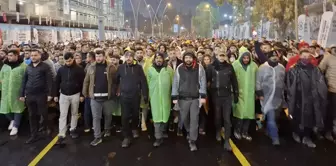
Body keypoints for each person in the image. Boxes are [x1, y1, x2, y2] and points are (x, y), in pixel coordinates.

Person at [287, 49, 327, 148]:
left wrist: (322, 96)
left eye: (307, 56)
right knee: (297, 116)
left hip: (311, 98)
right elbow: (290, 85)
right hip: (298, 97)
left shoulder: (315, 69)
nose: (305, 58)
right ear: (299, 56)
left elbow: (320, 83)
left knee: (310, 118)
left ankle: (306, 137)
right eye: (303, 56)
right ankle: (296, 133)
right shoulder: (294, 69)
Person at [171, 51, 207, 151]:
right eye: (186, 58)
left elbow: (203, 82)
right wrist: (174, 96)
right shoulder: (179, 68)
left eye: (190, 58)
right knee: (184, 118)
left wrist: (203, 95)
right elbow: (175, 82)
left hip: (195, 98)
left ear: (193, 58)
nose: (188, 60)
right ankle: (188, 131)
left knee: (194, 119)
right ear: (183, 58)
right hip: (183, 98)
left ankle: (192, 140)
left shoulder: (199, 68)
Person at [82, 49, 117, 146]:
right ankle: (97, 137)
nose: (98, 58)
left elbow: (116, 81)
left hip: (108, 98)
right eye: (97, 56)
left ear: (104, 57)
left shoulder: (111, 67)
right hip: (95, 98)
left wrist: (114, 92)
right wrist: (85, 92)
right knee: (96, 118)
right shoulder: (91, 67)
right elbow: (86, 81)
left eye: (100, 56)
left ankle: (107, 130)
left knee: (108, 115)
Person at [115, 51, 149, 148]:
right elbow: (116, 80)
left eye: (130, 56)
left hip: (135, 96)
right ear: (124, 57)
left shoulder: (138, 68)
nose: (129, 58)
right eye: (127, 56)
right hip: (124, 96)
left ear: (133, 58)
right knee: (125, 116)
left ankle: (134, 128)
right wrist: (116, 91)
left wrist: (145, 94)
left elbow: (143, 82)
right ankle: (126, 136)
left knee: (135, 114)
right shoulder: (121, 68)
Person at [206, 52, 238, 151]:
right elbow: (206, 81)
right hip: (216, 96)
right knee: (218, 117)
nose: (222, 57)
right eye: (220, 55)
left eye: (223, 55)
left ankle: (227, 141)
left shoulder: (229, 67)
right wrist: (207, 94)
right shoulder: (211, 67)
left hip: (227, 96)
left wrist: (236, 94)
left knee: (227, 119)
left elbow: (234, 81)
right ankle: (217, 131)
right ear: (217, 56)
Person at [20, 48, 53, 144]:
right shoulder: (28, 67)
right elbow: (24, 81)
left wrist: (50, 94)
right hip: (30, 95)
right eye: (32, 55)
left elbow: (50, 81)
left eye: (35, 55)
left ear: (40, 56)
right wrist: (22, 94)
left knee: (44, 114)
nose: (33, 57)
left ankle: (49, 130)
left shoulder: (45, 66)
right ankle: (34, 135)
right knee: (31, 115)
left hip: (41, 95)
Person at [54, 52, 85, 145]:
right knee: (63, 114)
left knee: (74, 113)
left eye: (70, 61)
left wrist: (82, 95)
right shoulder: (61, 70)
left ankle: (72, 129)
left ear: (73, 59)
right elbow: (57, 82)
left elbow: (83, 83)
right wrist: (55, 94)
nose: (68, 63)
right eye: (66, 61)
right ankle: (61, 133)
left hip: (75, 94)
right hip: (63, 95)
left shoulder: (79, 70)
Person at [256, 50, 286, 145]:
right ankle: (275, 138)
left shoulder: (281, 67)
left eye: (276, 56)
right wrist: (260, 93)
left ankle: (268, 131)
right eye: (272, 56)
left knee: (274, 118)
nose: (274, 58)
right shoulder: (262, 68)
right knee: (272, 118)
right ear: (268, 57)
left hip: (278, 98)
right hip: (266, 97)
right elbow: (258, 82)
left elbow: (284, 81)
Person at [147, 52, 174, 147]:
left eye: (160, 58)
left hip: (166, 97)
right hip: (154, 98)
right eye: (157, 58)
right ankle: (158, 137)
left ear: (163, 59)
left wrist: (173, 95)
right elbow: (147, 83)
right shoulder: (150, 70)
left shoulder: (168, 69)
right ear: (154, 60)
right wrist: (147, 96)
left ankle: (163, 131)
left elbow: (173, 82)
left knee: (165, 115)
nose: (158, 60)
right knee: (157, 117)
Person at [232, 48, 258, 141]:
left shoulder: (254, 66)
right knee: (240, 114)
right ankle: (237, 130)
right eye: (244, 58)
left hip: (250, 94)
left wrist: (257, 92)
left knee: (249, 115)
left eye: (248, 58)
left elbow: (257, 80)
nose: (246, 59)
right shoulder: (235, 65)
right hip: (239, 93)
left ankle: (245, 132)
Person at [0, 49, 26, 136]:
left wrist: (24, 92)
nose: (9, 57)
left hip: (17, 92)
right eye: (8, 55)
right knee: (4, 109)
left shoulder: (22, 66)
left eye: (11, 55)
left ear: (16, 56)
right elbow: (1, 77)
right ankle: (12, 120)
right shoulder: (5, 66)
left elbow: (25, 80)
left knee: (17, 109)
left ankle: (16, 126)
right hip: (6, 91)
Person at [319, 45, 336, 141]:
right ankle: (327, 132)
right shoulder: (328, 58)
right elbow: (320, 70)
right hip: (331, 90)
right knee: (330, 113)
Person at [83, 51, 96, 132]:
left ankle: (94, 125)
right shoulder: (88, 65)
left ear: (91, 58)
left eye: (87, 57)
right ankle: (88, 125)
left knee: (94, 110)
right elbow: (86, 80)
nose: (86, 59)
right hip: (88, 91)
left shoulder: (96, 66)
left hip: (94, 91)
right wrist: (85, 92)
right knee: (87, 109)